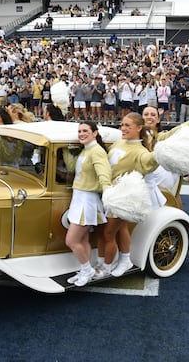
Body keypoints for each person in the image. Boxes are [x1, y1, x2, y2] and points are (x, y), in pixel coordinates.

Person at [98, 112, 159, 278]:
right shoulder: (120, 142)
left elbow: (149, 162)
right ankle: (125, 259)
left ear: (139, 128)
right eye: (122, 125)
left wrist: (160, 154)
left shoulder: (140, 151)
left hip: (121, 198)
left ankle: (107, 266)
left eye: (128, 126)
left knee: (108, 233)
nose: (123, 128)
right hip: (109, 193)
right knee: (121, 228)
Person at [64, 122, 112, 287]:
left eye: (85, 131)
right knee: (83, 239)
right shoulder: (86, 150)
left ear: (95, 133)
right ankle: (85, 270)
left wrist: (108, 191)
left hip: (87, 200)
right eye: (79, 131)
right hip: (78, 197)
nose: (81, 133)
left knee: (71, 240)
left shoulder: (97, 151)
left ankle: (87, 270)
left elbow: (104, 173)